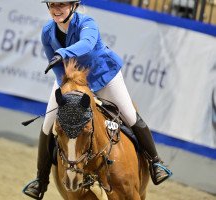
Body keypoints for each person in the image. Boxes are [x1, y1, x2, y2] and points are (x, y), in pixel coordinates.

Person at [23, 0, 172, 199]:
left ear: (73, 6)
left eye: (62, 5)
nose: (56, 10)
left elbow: (86, 44)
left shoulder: (87, 23)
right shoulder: (47, 32)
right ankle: (41, 180)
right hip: (71, 81)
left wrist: (63, 53)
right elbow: (57, 67)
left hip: (103, 76)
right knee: (47, 125)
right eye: (52, 5)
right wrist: (69, 88)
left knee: (129, 115)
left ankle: (155, 162)